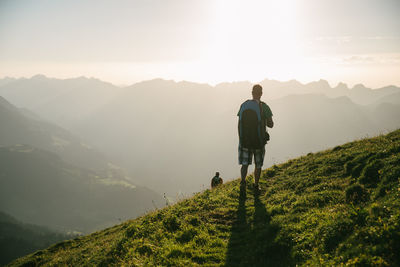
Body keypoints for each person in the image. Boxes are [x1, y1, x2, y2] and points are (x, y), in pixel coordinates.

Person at [237, 84, 274, 190]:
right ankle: (256, 185)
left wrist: (241, 138)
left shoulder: (244, 105)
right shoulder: (264, 107)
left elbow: (239, 123)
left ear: (252, 93)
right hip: (259, 141)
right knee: (258, 165)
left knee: (245, 164)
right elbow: (271, 125)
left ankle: (243, 182)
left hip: (245, 140)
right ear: (261, 94)